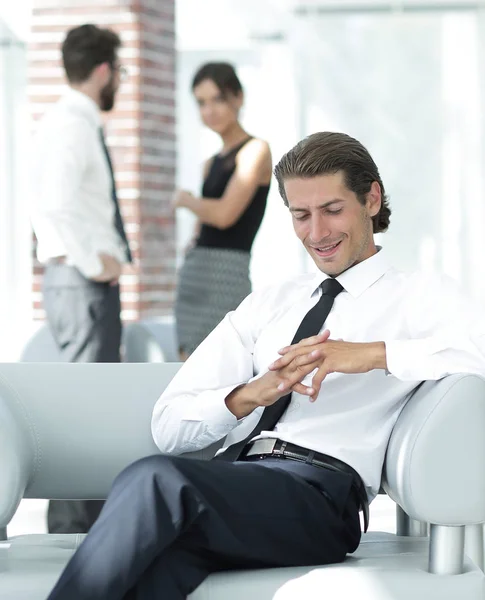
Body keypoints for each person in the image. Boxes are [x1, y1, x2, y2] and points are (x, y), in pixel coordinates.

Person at [46, 132, 485, 600]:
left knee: (154, 478)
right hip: (234, 485)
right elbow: (168, 424)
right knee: (155, 575)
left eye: (332, 210)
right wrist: (248, 395)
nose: (317, 233)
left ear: (371, 199)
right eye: (301, 215)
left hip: (319, 498)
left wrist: (370, 354)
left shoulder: (419, 296)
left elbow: (476, 355)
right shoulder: (269, 305)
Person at [30, 24, 132, 534]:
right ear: (103, 70)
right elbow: (55, 204)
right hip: (81, 283)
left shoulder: (75, 121)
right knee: (85, 412)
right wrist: (97, 263)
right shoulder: (71, 125)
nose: (121, 80)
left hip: (79, 284)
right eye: (121, 70)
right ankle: (73, 538)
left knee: (90, 405)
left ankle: (81, 533)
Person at [173, 62, 272, 360]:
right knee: (186, 369)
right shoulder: (210, 163)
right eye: (201, 103)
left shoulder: (256, 150)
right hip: (195, 275)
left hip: (227, 273)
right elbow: (205, 226)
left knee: (227, 365)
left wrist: (185, 200)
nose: (209, 110)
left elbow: (224, 215)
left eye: (217, 99)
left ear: (237, 97)